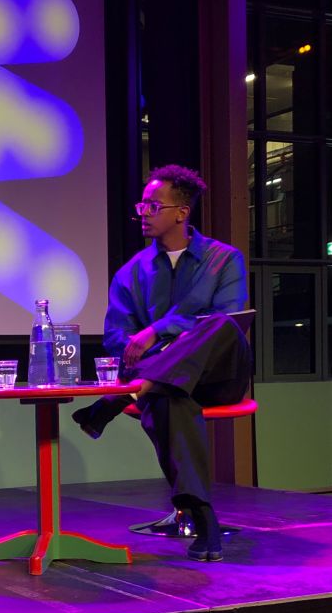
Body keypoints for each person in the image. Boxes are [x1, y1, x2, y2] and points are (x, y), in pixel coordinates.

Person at [72, 165, 251, 562]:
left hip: (218, 375)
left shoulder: (224, 260)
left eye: (153, 205)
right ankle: (203, 516)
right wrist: (163, 363)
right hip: (169, 386)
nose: (143, 212)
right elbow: (117, 339)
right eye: (142, 205)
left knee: (219, 325)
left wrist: (158, 330)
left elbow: (232, 321)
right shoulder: (130, 273)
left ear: (181, 212)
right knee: (170, 399)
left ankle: (118, 400)